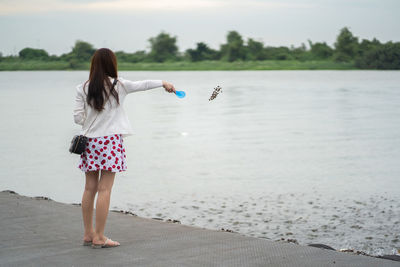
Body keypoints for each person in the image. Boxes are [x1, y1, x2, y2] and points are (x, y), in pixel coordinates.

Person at [73, 48, 176, 248]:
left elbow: (78, 118)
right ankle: (100, 237)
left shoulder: (82, 88)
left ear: (93, 65)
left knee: (89, 188)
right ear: (112, 64)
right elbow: (144, 84)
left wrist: (91, 119)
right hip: (110, 142)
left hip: (90, 143)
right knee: (105, 190)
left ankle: (88, 234)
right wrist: (164, 82)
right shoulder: (118, 85)